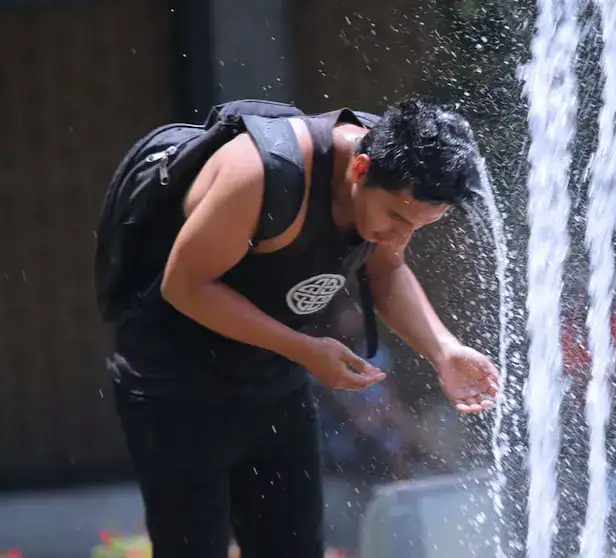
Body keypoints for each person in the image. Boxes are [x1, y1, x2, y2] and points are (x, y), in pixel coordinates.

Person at [107, 98, 499, 558]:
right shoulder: (261, 174)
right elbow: (185, 286)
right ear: (361, 169)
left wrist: (442, 349)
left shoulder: (390, 180)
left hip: (273, 377)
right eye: (395, 217)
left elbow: (387, 270)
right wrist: (304, 348)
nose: (399, 236)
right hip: (174, 382)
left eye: (417, 226)